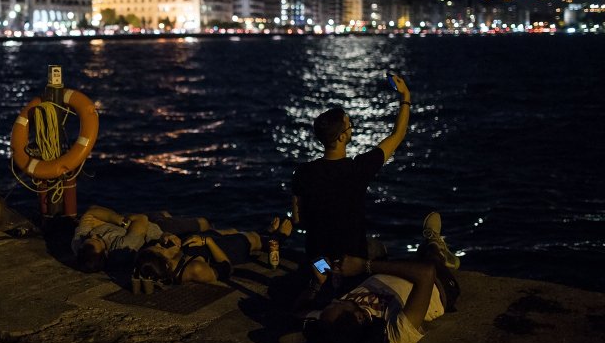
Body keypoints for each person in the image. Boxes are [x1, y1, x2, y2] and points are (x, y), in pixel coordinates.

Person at [302, 212, 460, 343]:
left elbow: (299, 311)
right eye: (338, 304)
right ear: (360, 317)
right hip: (436, 282)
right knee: (431, 257)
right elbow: (426, 274)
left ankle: (416, 254)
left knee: (370, 246)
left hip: (394, 273)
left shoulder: (333, 321)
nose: (334, 300)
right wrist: (364, 266)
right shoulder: (395, 336)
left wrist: (317, 283)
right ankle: (435, 244)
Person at [291, 73, 411, 264]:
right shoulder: (358, 169)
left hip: (317, 260)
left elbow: (297, 220)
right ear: (341, 137)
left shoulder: (303, 172)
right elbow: (397, 135)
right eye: (349, 126)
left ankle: (321, 276)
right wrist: (405, 97)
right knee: (378, 248)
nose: (352, 129)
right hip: (349, 262)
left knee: (319, 261)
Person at [134, 217, 293, 285]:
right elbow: (226, 269)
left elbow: (148, 258)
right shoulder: (194, 270)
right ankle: (280, 237)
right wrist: (208, 242)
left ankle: (266, 231)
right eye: (161, 250)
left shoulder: (165, 262)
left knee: (233, 230)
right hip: (223, 249)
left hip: (204, 241)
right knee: (252, 239)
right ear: (167, 265)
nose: (161, 246)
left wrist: (166, 237)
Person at [72, 205, 180, 272]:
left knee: (162, 213)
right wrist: (113, 221)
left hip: (130, 217)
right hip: (158, 229)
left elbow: (91, 210)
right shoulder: (123, 249)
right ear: (106, 253)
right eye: (97, 239)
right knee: (188, 222)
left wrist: (120, 221)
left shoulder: (80, 244)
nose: (93, 235)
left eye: (90, 237)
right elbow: (142, 219)